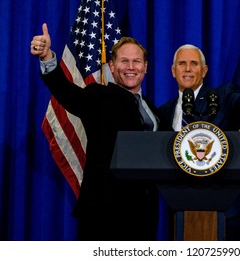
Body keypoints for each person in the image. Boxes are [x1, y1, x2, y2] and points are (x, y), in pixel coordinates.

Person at [31, 23, 165, 241]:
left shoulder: (153, 110)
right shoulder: (98, 97)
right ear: (111, 67)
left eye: (136, 61)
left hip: (144, 213)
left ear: (146, 67)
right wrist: (47, 58)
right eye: (124, 61)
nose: (131, 67)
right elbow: (67, 93)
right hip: (104, 213)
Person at [159, 31, 240, 240]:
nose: (187, 69)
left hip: (225, 211)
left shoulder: (223, 98)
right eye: (182, 64)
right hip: (180, 211)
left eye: (194, 64)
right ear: (173, 71)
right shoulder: (164, 112)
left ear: (204, 71)